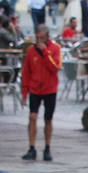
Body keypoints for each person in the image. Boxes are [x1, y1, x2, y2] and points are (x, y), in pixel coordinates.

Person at [19, 25, 62, 162]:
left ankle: (47, 147)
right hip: (35, 88)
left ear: (47, 37)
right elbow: (26, 72)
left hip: (50, 89)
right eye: (37, 38)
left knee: (48, 119)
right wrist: (24, 92)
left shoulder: (55, 49)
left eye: (42, 38)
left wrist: (46, 53)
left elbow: (55, 68)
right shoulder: (31, 51)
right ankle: (31, 147)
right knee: (32, 117)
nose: (39, 40)